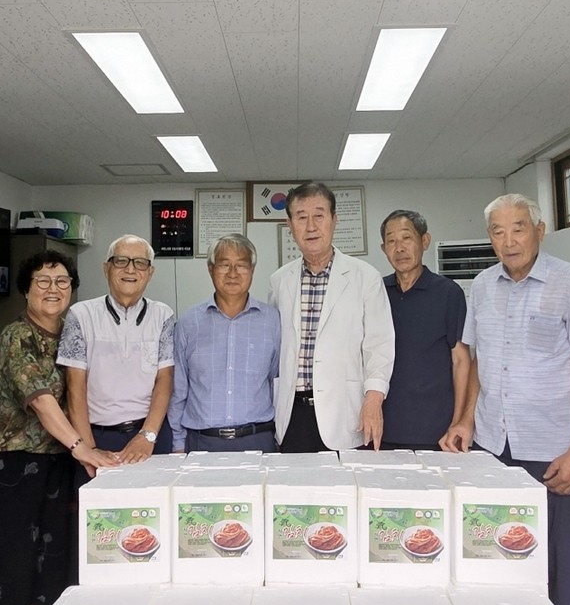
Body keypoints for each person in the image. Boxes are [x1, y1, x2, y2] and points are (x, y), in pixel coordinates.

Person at [441, 193, 570, 605]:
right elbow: (477, 364)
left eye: (518, 228)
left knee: (566, 569)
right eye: (498, 231)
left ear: (539, 229)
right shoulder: (480, 286)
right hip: (496, 449)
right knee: (501, 565)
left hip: (556, 453)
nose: (509, 240)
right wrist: (465, 420)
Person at [0, 251, 118, 605]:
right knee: (10, 552)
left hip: (54, 460)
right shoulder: (17, 336)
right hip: (10, 462)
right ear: (26, 289)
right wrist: (83, 448)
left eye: (62, 281)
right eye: (43, 281)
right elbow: (42, 401)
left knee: (50, 550)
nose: (53, 289)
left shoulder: (70, 334)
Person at [269, 181, 394, 452]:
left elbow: (380, 346)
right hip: (292, 414)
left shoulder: (365, 277)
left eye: (319, 215)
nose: (311, 226)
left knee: (345, 480)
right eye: (301, 217)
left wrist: (374, 400)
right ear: (290, 225)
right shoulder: (279, 281)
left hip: (345, 414)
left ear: (334, 220)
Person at [57, 235, 175, 465]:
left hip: (151, 433)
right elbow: (75, 387)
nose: (130, 269)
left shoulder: (163, 315)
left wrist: (147, 435)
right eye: (121, 261)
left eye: (140, 263)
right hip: (96, 435)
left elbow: (165, 379)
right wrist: (89, 448)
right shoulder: (81, 315)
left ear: (150, 272)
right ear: (106, 268)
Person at [168, 234, 280, 452]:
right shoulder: (189, 322)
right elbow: (178, 390)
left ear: (252, 270)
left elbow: (277, 383)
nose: (232, 273)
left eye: (241, 265)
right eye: (224, 265)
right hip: (201, 443)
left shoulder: (272, 321)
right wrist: (178, 443)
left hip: (257, 441)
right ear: (211, 269)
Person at [380, 209, 470, 449]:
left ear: (425, 241)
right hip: (383, 427)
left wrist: (457, 422)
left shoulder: (448, 293)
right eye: (391, 241)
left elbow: (461, 361)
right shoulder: (376, 292)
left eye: (406, 238)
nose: (399, 248)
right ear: (383, 248)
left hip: (435, 430)